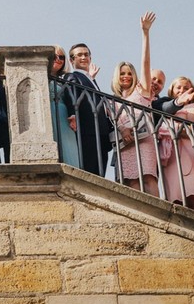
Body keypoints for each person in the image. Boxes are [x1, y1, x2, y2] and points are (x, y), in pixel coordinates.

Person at [109, 13, 159, 195]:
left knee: (148, 176)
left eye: (129, 73)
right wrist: (123, 130)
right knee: (131, 182)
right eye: (122, 73)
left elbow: (146, 63)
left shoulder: (142, 90)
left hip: (144, 140)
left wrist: (145, 33)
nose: (126, 76)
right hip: (126, 143)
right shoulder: (112, 101)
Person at [157, 77, 194, 213]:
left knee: (193, 194)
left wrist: (167, 128)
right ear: (172, 90)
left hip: (187, 152)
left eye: (186, 88)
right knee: (175, 196)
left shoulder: (193, 107)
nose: (182, 90)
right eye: (178, 87)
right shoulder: (166, 107)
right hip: (170, 155)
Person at [62, 43, 112, 178]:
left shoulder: (91, 79)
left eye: (86, 54)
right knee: (90, 172)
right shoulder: (72, 76)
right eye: (79, 55)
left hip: (100, 134)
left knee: (100, 174)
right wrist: (72, 115)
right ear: (72, 61)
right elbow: (71, 93)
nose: (84, 57)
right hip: (87, 133)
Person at [49, 46, 80, 169]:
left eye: (61, 57)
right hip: (48, 114)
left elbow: (72, 98)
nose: (58, 59)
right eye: (54, 56)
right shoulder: (40, 77)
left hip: (63, 115)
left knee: (68, 147)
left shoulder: (66, 78)